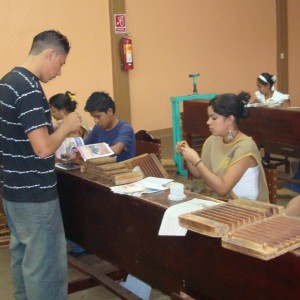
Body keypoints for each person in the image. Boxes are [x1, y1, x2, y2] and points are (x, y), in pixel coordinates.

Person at [0, 30, 81, 300]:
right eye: (61, 64)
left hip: (13, 191)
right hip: (35, 196)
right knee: (46, 269)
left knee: (24, 261)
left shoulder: (9, 82)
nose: (59, 72)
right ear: (49, 54)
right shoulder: (30, 88)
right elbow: (43, 148)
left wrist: (51, 126)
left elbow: (17, 133)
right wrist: (68, 125)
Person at [176, 92, 269, 201]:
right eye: (209, 118)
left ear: (230, 120)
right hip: (223, 202)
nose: (208, 122)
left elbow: (223, 188)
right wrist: (187, 155)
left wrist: (196, 160)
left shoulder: (245, 146)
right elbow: (198, 173)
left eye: (214, 118)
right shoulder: (213, 140)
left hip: (246, 207)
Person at [84, 91, 135, 162]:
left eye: (98, 117)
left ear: (110, 111)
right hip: (103, 170)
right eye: (94, 117)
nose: (96, 121)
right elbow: (85, 147)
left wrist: (92, 152)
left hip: (123, 171)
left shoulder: (125, 129)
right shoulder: (98, 128)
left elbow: (117, 149)